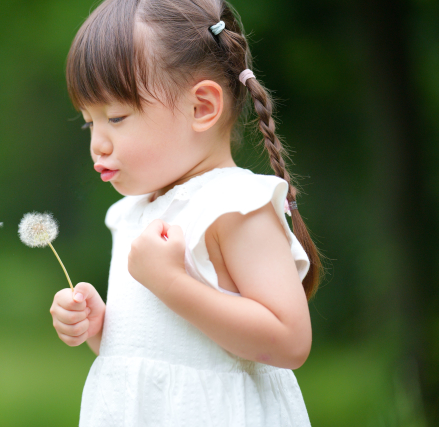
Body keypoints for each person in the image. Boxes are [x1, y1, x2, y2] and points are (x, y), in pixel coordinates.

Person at [49, 0, 324, 425]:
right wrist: (100, 327)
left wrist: (171, 283)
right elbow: (154, 358)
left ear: (202, 108)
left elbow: (290, 342)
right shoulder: (131, 214)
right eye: (89, 122)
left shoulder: (234, 205)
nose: (97, 144)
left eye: (117, 117)